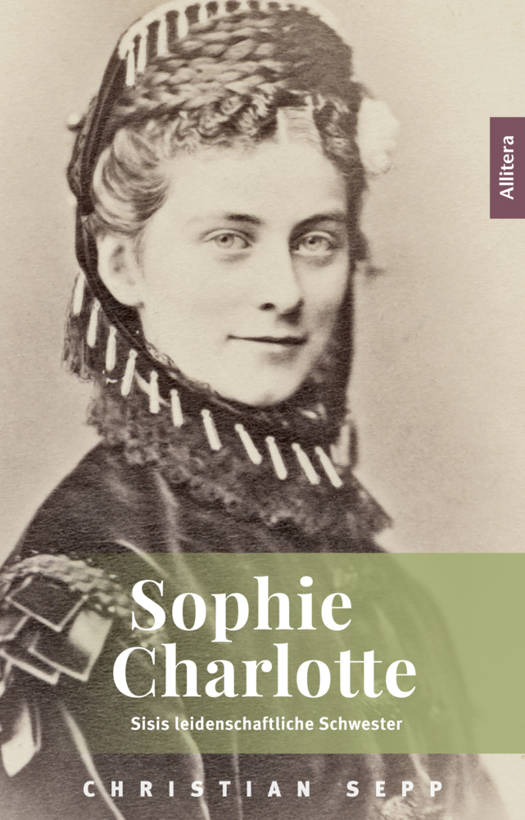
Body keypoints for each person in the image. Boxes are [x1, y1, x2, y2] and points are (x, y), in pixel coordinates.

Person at [0, 1, 505, 817]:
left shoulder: (382, 586)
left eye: (315, 240)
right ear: (123, 264)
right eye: (230, 238)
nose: (284, 291)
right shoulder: (93, 589)